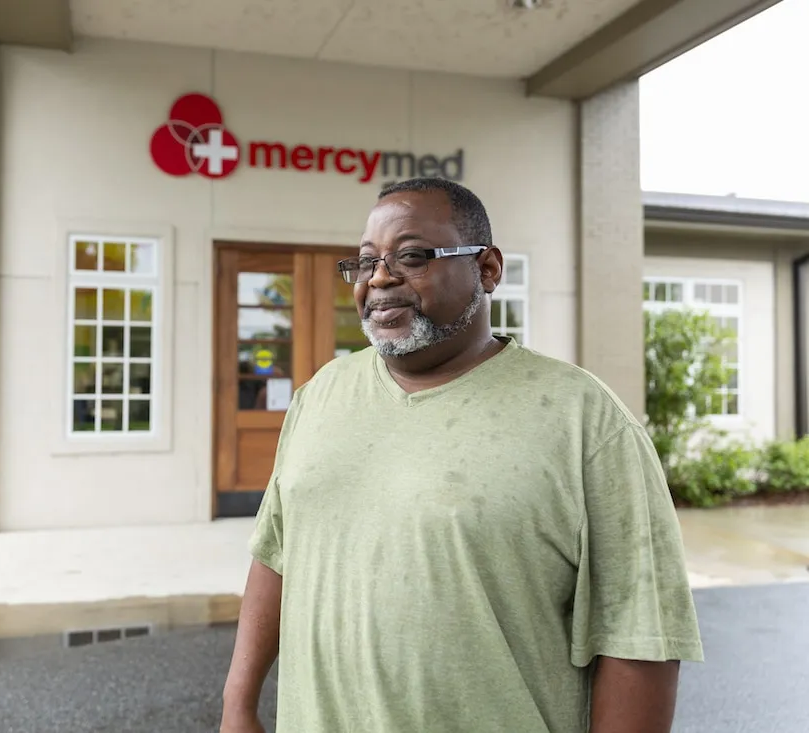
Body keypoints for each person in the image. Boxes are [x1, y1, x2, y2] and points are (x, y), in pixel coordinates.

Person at [219, 177, 704, 733]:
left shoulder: (584, 421)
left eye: (413, 256)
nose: (379, 278)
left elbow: (638, 633)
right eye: (366, 261)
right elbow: (276, 555)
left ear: (488, 269)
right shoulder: (320, 395)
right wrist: (238, 705)